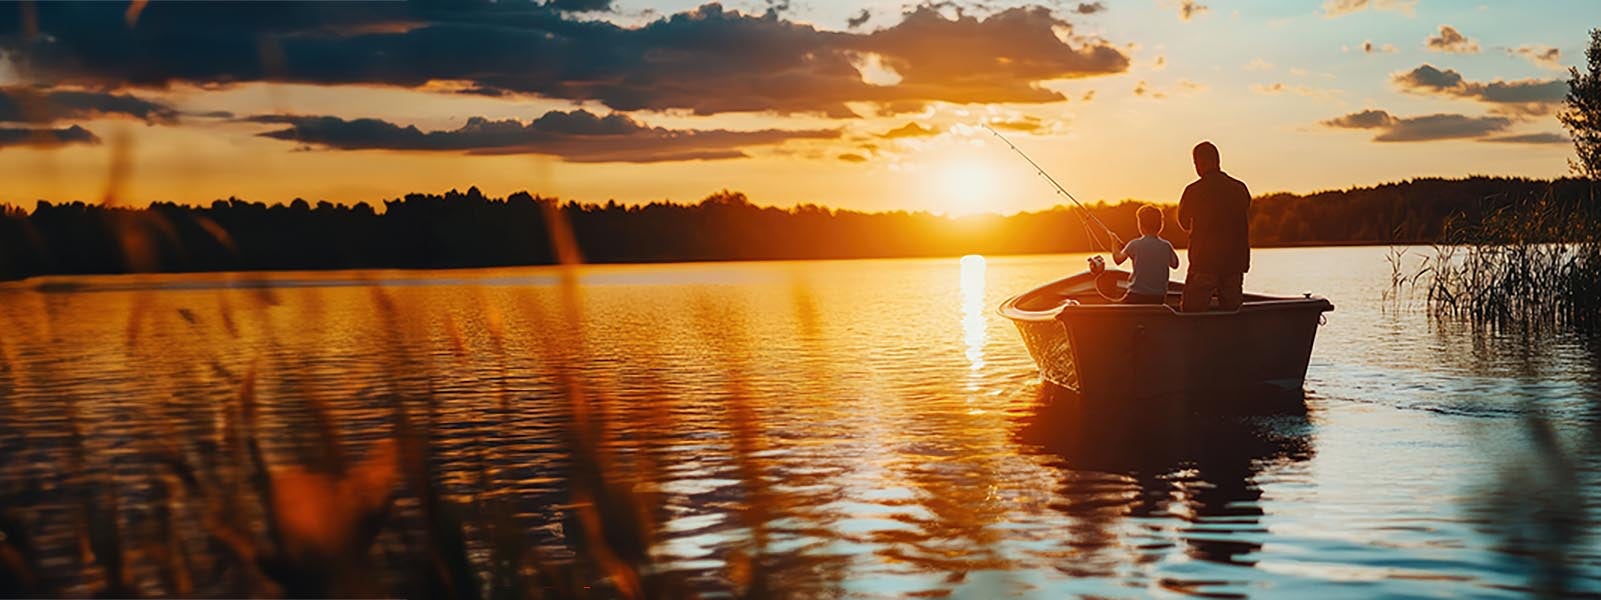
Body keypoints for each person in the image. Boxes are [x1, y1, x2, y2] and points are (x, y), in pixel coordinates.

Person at [1176, 141, 1250, 312]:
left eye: (1195, 163)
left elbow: (1184, 223)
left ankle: (1195, 338)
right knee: (1232, 315)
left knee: (1191, 313)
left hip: (1204, 263)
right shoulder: (1240, 188)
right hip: (1234, 264)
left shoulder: (1193, 191)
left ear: (1200, 162)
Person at [1110, 204, 1180, 305]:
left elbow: (1118, 260)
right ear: (1161, 225)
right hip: (1158, 297)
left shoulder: (1134, 244)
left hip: (1135, 296)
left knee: (1114, 308)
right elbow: (1175, 264)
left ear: (1140, 226)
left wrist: (1114, 243)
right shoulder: (1166, 246)